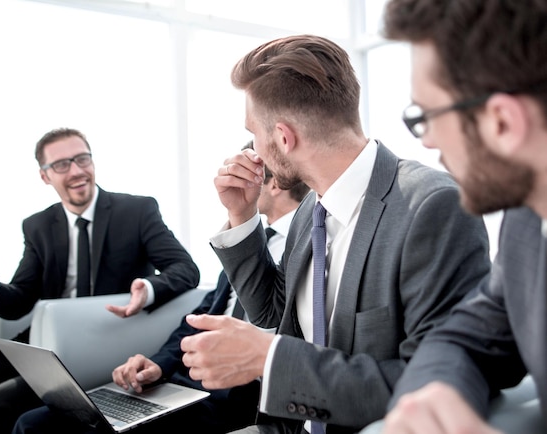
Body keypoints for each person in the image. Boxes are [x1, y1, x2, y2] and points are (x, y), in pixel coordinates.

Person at [177, 34, 493, 434]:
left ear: (283, 137)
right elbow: (276, 314)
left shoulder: (432, 206)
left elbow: (435, 386)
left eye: (253, 132)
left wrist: (268, 359)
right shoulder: (313, 207)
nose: (252, 147)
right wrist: (241, 216)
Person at [0, 127, 200, 434]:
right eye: (61, 164)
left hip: (101, 343)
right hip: (41, 345)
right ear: (45, 176)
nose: (76, 170)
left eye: (82, 158)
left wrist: (148, 289)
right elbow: (21, 299)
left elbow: (185, 269)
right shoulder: (38, 226)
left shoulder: (137, 211)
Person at [11, 160, 311, 434]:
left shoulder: (304, 247)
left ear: (272, 183)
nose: (227, 182)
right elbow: (197, 319)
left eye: (241, 174)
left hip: (232, 396)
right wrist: (158, 364)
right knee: (33, 422)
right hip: (182, 383)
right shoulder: (248, 243)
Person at [360, 2, 547, 434]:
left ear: (502, 121)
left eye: (423, 117)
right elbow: (466, 335)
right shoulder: (527, 223)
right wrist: (437, 395)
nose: (426, 144)